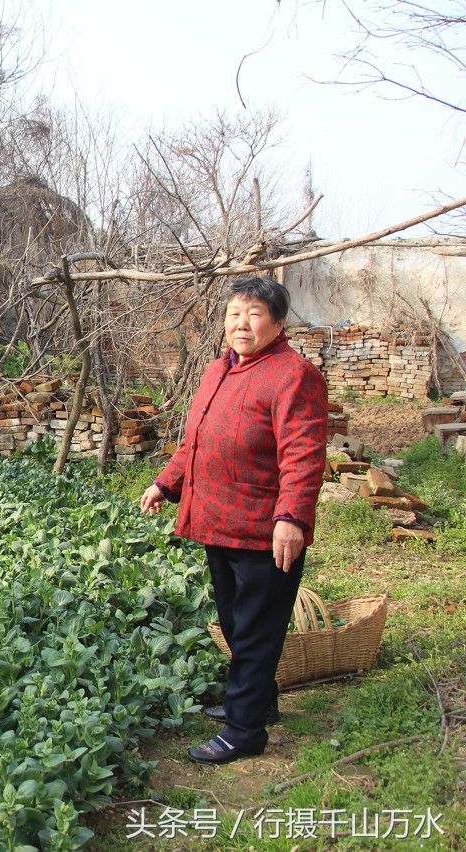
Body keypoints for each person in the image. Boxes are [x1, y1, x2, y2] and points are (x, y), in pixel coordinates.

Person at [139, 276, 327, 765]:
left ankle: (245, 731)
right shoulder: (217, 370)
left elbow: (304, 455)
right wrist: (166, 483)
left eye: (255, 313)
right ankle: (258, 702)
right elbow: (196, 441)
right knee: (237, 623)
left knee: (258, 628)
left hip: (264, 528)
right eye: (234, 313)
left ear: (279, 323)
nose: (241, 323)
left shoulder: (293, 374)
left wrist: (290, 517)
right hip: (216, 519)